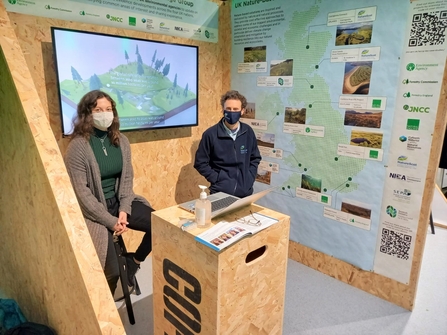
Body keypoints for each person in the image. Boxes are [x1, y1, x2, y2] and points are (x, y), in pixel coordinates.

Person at [64, 90, 154, 295]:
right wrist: (110, 220)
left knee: (161, 225)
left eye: (108, 109)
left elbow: (126, 179)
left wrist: (123, 209)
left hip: (118, 203)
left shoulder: (121, 140)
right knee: (111, 272)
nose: (104, 114)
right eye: (98, 110)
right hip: (95, 211)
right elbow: (82, 194)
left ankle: (134, 261)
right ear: (87, 114)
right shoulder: (77, 147)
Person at [194, 90, 261, 198]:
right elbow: (200, 163)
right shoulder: (210, 134)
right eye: (228, 109)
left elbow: (255, 158)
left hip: (245, 194)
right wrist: (218, 179)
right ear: (223, 110)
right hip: (220, 194)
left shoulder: (248, 132)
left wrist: (249, 177)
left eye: (235, 109)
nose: (231, 112)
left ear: (242, 111)